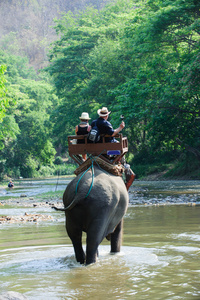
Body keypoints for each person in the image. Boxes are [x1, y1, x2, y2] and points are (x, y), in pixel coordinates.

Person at [91, 106, 135, 190]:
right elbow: (112, 133)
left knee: (117, 145)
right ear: (106, 115)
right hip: (108, 149)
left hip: (96, 147)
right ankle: (121, 163)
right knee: (119, 147)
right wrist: (120, 128)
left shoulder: (94, 122)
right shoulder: (106, 123)